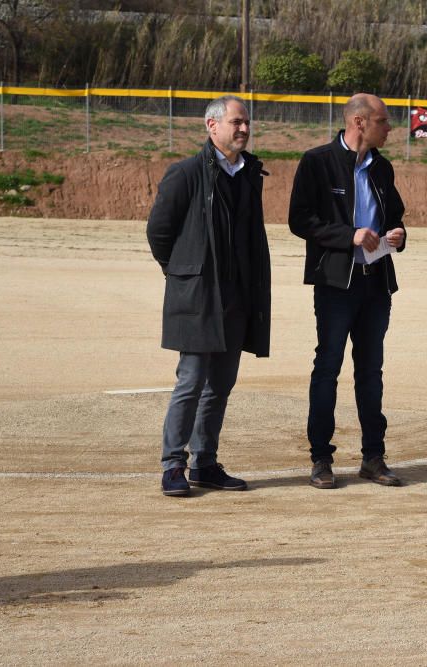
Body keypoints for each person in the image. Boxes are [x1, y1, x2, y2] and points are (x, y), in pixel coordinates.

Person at [147, 95, 271, 497]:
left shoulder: (250, 174)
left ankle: (205, 463)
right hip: (200, 296)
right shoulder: (184, 174)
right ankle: (173, 465)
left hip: (237, 297)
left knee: (221, 384)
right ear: (211, 125)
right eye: (237, 122)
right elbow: (159, 232)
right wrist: (185, 272)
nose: (244, 129)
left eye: (247, 122)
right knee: (192, 381)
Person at [288, 93, 407, 490]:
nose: (389, 128)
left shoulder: (382, 168)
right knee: (328, 368)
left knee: (371, 372)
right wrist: (348, 236)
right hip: (336, 285)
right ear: (359, 122)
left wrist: (398, 234)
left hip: (376, 285)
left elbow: (395, 215)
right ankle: (321, 458)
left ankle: (374, 457)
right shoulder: (317, 162)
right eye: (383, 121)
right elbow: (300, 220)